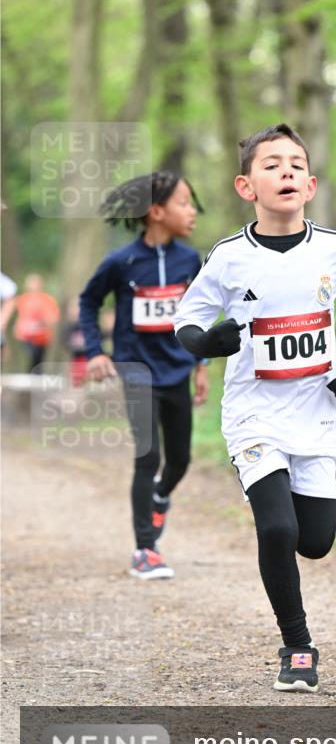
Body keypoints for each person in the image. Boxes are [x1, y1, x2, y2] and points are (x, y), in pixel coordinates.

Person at [174, 123, 336, 693]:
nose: (285, 171)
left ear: (310, 184)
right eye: (271, 164)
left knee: (314, 541)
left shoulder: (335, 249)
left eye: (295, 164)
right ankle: (297, 646)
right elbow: (187, 319)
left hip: (315, 414)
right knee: (276, 527)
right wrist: (206, 342)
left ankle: (289, 510)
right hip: (253, 414)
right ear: (246, 186)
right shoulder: (229, 257)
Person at [79, 171, 210, 580]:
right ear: (156, 212)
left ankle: (158, 497)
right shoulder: (121, 262)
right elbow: (88, 301)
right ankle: (145, 550)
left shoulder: (191, 261)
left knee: (180, 459)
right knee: (147, 455)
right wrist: (96, 352)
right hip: (136, 370)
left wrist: (202, 364)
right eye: (184, 203)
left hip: (178, 369)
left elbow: (200, 313)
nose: (192, 212)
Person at [9, 273, 60, 372]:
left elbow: (52, 319)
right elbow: (20, 316)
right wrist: (17, 327)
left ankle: (35, 379)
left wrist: (41, 324)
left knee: (38, 361)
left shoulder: (47, 300)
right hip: (25, 337)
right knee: (28, 357)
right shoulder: (23, 299)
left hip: (41, 338)